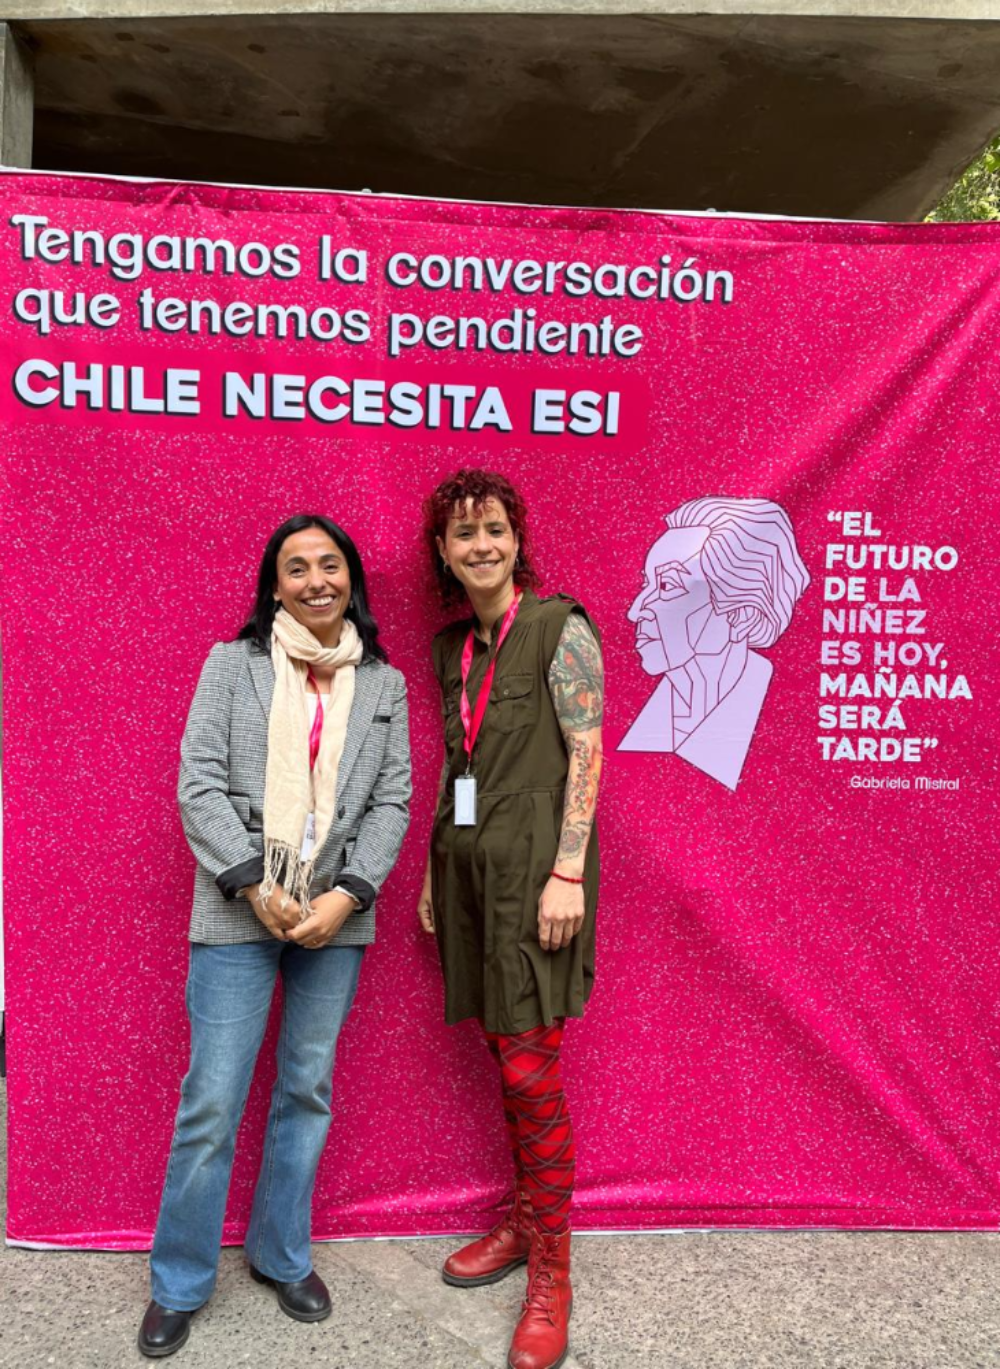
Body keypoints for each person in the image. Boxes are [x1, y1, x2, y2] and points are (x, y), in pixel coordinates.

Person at [139, 514, 411, 1359]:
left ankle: (280, 1254)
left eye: (330, 564)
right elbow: (198, 785)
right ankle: (179, 1282)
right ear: (275, 586)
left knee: (307, 1089)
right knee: (212, 1100)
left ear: (350, 579)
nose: (316, 579)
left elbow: (392, 801)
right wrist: (255, 884)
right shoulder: (234, 665)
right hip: (238, 906)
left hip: (335, 914)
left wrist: (348, 895)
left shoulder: (383, 684)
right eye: (297, 568)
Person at [417, 469, 603, 1369]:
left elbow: (587, 751)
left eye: (494, 529)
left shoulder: (559, 630)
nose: (482, 545)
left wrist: (568, 868)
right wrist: (432, 867)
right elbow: (458, 766)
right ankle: (526, 1223)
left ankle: (554, 1274)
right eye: (463, 535)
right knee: (501, 1051)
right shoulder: (453, 649)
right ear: (444, 554)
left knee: (533, 1069)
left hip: (537, 879)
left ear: (517, 539)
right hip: (468, 881)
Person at [618, 495, 810, 789]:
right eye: (647, 584)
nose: (635, 611)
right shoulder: (623, 729)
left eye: (668, 585)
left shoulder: (788, 728)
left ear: (741, 615)